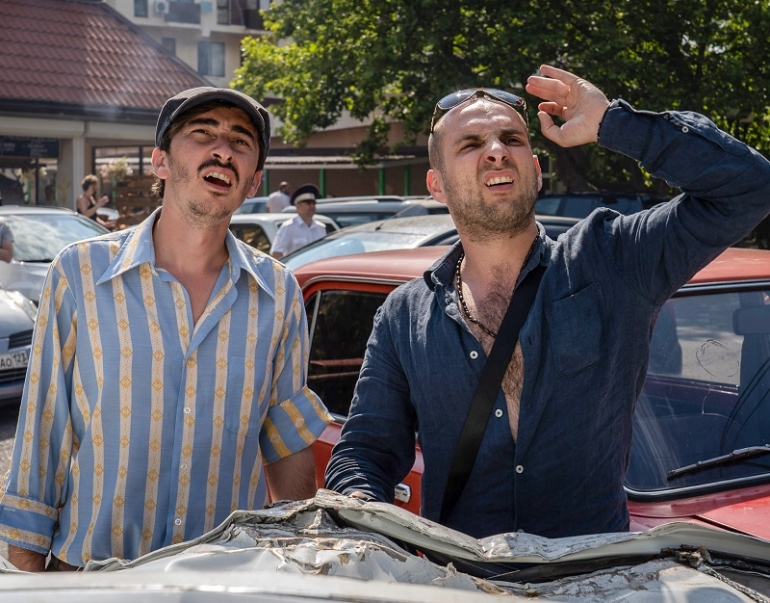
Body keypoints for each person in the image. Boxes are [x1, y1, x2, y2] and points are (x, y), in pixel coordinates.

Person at [324, 65, 770, 539]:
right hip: (460, 573)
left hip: (599, 572)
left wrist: (613, 123)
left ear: (536, 172)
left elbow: (750, 188)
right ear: (437, 186)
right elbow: (366, 452)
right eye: (471, 144)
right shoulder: (404, 316)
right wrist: (360, 514)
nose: (496, 151)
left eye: (511, 139)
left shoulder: (613, 259)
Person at [0, 86, 332, 571]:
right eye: (203, 133)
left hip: (222, 582)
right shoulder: (80, 273)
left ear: (254, 181)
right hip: (92, 580)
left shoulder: (277, 292)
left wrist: (302, 568)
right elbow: (42, 434)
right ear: (160, 161)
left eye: (241, 142)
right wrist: (29, 582)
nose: (223, 150)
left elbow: (286, 444)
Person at [270, 184, 326, 259]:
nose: (312, 206)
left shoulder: (321, 228)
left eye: (313, 203)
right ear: (298, 207)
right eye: (308, 203)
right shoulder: (288, 227)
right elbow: (276, 253)